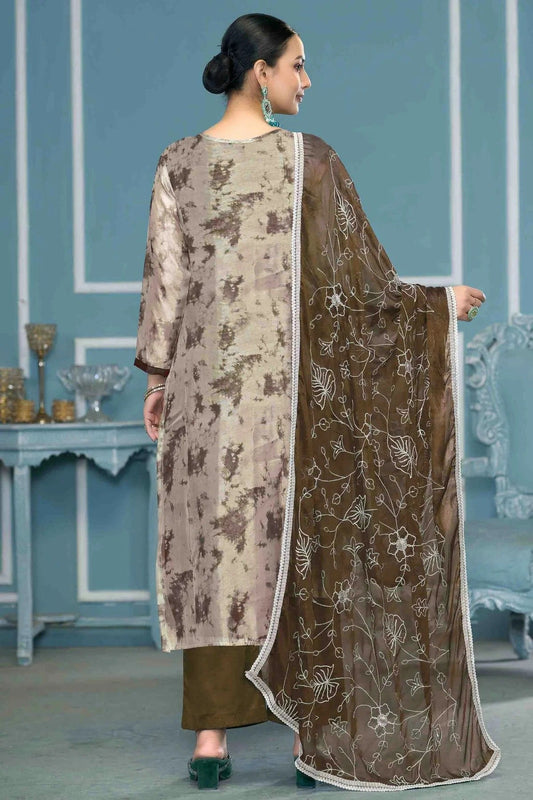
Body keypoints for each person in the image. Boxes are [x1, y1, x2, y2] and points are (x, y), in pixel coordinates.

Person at [134, 12, 501, 791]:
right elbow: (361, 288)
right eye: (297, 65)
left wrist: (159, 380)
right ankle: (311, 733)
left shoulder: (177, 162)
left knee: (219, 564)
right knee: (293, 555)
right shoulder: (308, 161)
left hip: (205, 402)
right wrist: (437, 303)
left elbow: (165, 285)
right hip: (289, 404)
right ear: (259, 72)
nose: (307, 80)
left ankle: (211, 741)